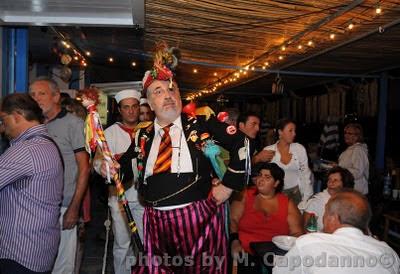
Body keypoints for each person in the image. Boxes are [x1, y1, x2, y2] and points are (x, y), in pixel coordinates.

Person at [100, 42, 254, 273]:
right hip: (154, 222)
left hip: (199, 220)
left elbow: (242, 142)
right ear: (150, 104)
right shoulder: (142, 134)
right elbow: (123, 172)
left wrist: (229, 185)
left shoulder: (201, 124)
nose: (168, 96)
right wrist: (108, 170)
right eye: (159, 92)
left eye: (172, 89)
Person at [29, 77, 90, 274]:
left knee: (63, 264)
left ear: (56, 97)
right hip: (36, 205)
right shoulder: (31, 125)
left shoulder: (73, 123)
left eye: (42, 93)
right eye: (32, 94)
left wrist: (74, 207)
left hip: (64, 204)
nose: (36, 98)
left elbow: (84, 168)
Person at [0, 94, 63, 274]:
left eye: (4, 120)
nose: (3, 129)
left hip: (20, 251)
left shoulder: (26, 150)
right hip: (40, 245)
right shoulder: (47, 143)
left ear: (17, 116)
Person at [273, 189, 400, 273]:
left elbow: (279, 271)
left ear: (333, 219)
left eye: (325, 212)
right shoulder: (389, 253)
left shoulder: (309, 243)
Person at [93, 89, 145, 274]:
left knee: (144, 243)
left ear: (139, 108)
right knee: (123, 244)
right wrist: (104, 169)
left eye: (134, 107)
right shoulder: (110, 133)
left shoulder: (149, 130)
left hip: (144, 199)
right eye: (126, 107)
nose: (130, 111)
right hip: (119, 200)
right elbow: (98, 161)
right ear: (120, 110)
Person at [230, 162, 304, 274]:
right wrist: (234, 241)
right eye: (260, 175)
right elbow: (233, 219)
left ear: (276, 183)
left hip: (273, 254)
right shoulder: (245, 194)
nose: (261, 179)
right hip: (245, 251)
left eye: (267, 177)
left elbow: (297, 232)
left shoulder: (287, 203)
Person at [254, 119, 313, 208]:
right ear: (280, 132)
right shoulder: (268, 151)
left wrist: (307, 198)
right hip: (275, 195)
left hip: (296, 194)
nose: (294, 134)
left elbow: (305, 174)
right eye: (290, 131)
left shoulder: (299, 149)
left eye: (294, 131)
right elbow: (260, 175)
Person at [303, 166, 354, 232]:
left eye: (335, 180)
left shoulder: (352, 201)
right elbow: (307, 229)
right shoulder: (317, 201)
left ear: (345, 184)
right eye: (329, 179)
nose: (331, 183)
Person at [337, 123, 369, 195]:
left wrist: (339, 169)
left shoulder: (358, 150)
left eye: (349, 133)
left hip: (356, 193)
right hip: (349, 191)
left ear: (357, 136)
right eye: (345, 133)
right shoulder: (351, 149)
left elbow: (358, 172)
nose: (346, 135)